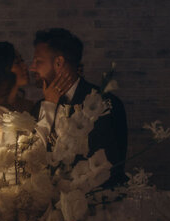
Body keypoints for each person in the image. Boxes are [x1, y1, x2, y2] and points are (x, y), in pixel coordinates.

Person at [30, 28, 128, 187]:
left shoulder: (105, 105)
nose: (32, 67)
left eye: (38, 61)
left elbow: (111, 167)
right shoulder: (39, 109)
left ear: (59, 63)